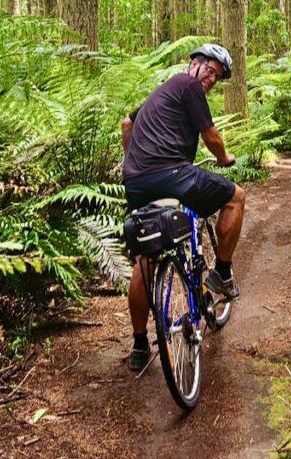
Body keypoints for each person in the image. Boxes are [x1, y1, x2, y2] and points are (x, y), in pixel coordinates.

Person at [120, 43, 246, 371]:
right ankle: (222, 273)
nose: (211, 79)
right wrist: (224, 159)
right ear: (193, 63)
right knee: (236, 197)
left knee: (146, 258)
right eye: (209, 69)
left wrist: (132, 159)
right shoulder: (188, 86)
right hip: (172, 174)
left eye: (217, 76)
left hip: (135, 182)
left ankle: (138, 345)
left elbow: (126, 124)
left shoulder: (161, 92)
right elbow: (210, 135)